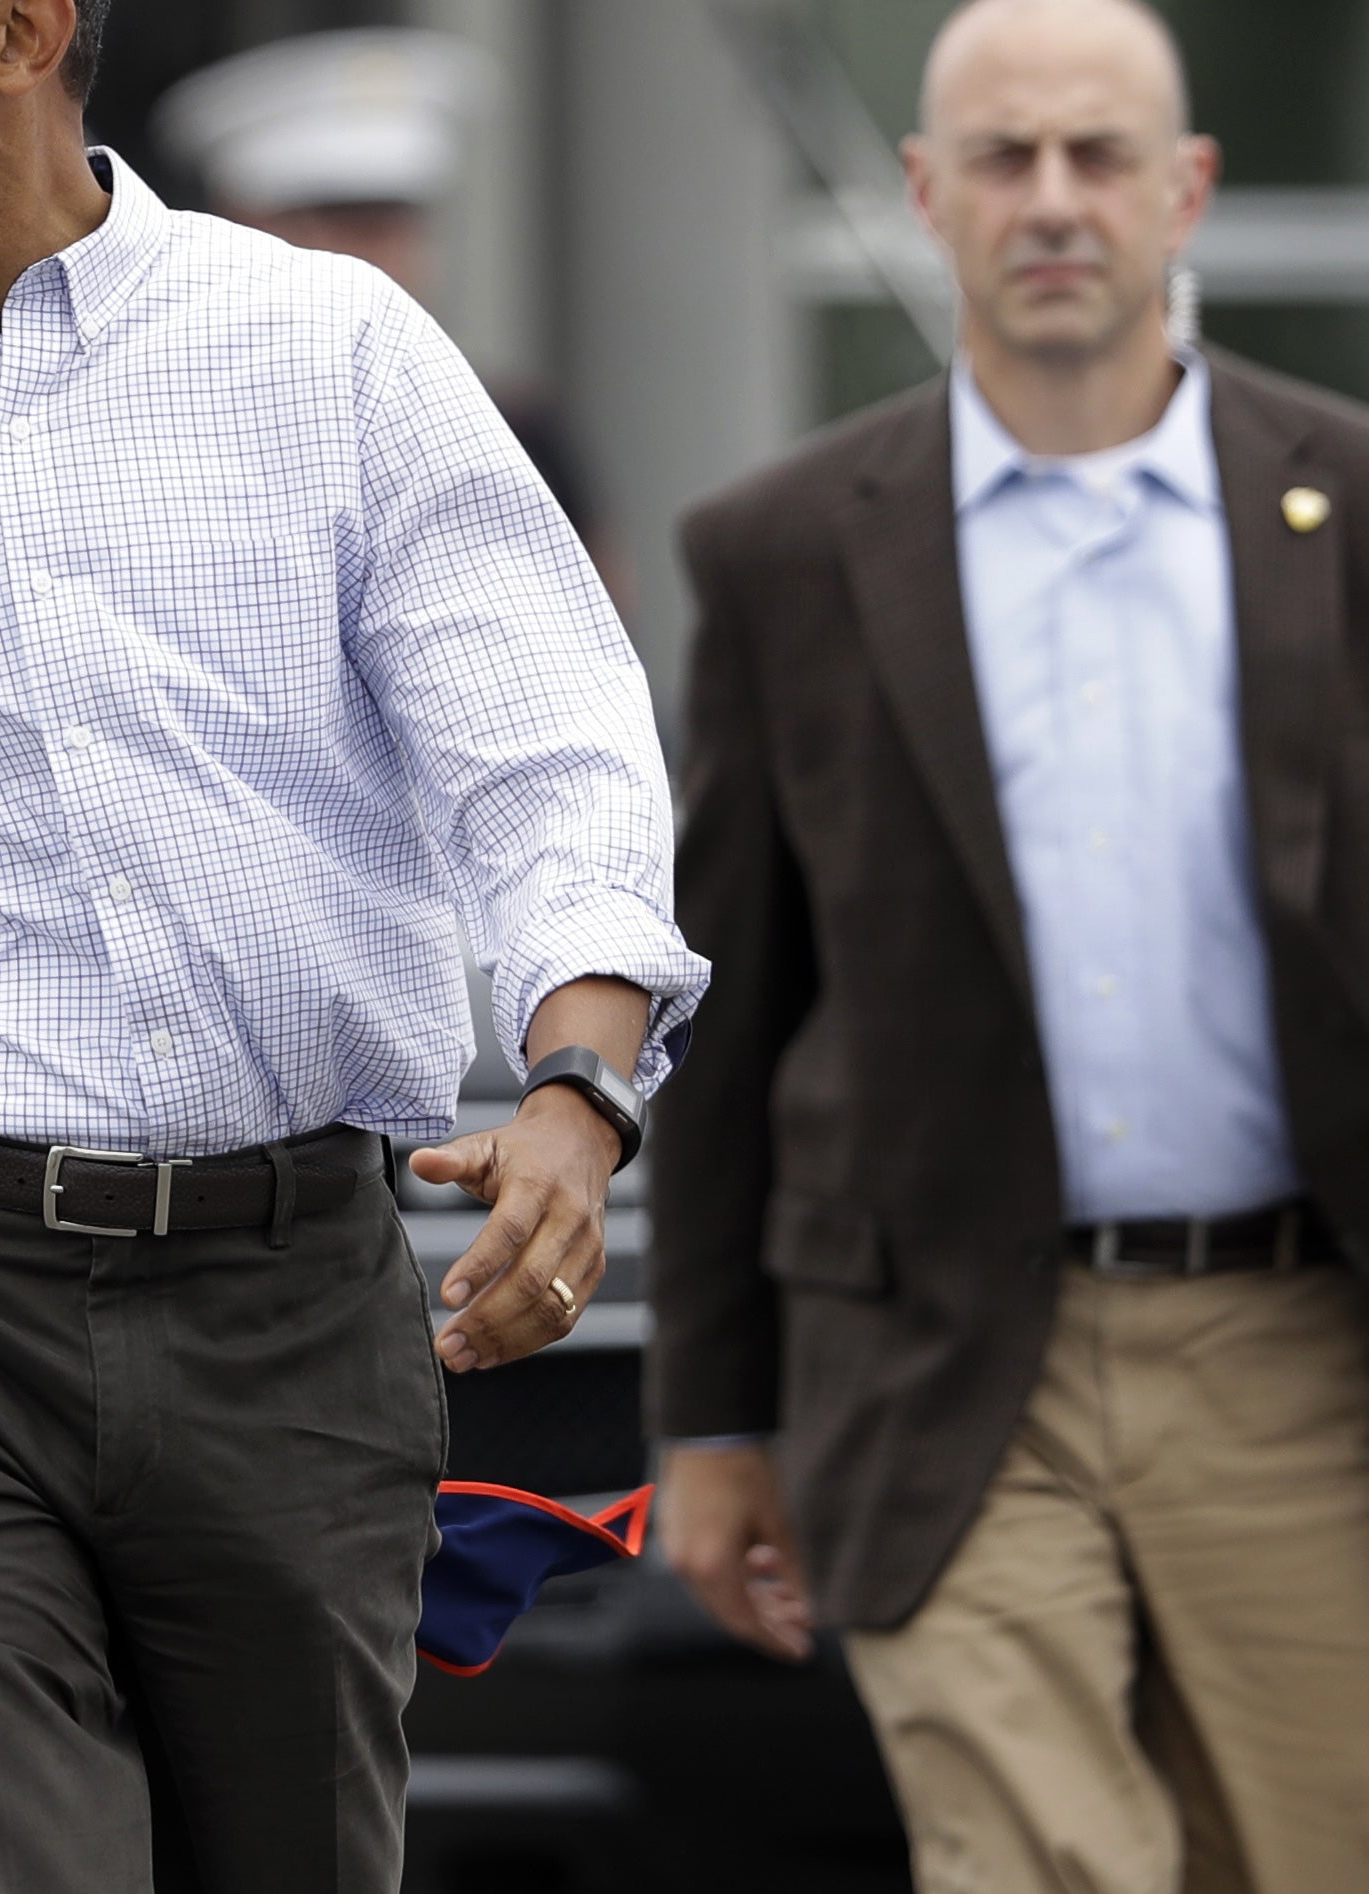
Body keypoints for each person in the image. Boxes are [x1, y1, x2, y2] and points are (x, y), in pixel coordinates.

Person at [0, 0, 707, 1887]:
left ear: (18, 30)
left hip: (291, 1313)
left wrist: (577, 1086)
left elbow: (549, 758)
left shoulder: (332, 354)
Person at [652, 2, 1369, 1888]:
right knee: (1039, 1860)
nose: (1051, 201)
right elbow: (728, 1010)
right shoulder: (784, 549)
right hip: (941, 1356)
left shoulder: (1348, 510)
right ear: (923, 190)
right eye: (1000, 156)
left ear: (1184, 188)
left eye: (1096, 154)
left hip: (1299, 1349)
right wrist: (713, 1418)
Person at [156, 28, 621, 606]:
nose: (390, 256)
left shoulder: (516, 424)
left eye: (403, 222)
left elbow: (588, 629)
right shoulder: (164, 421)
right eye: (351, 223)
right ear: (245, 224)